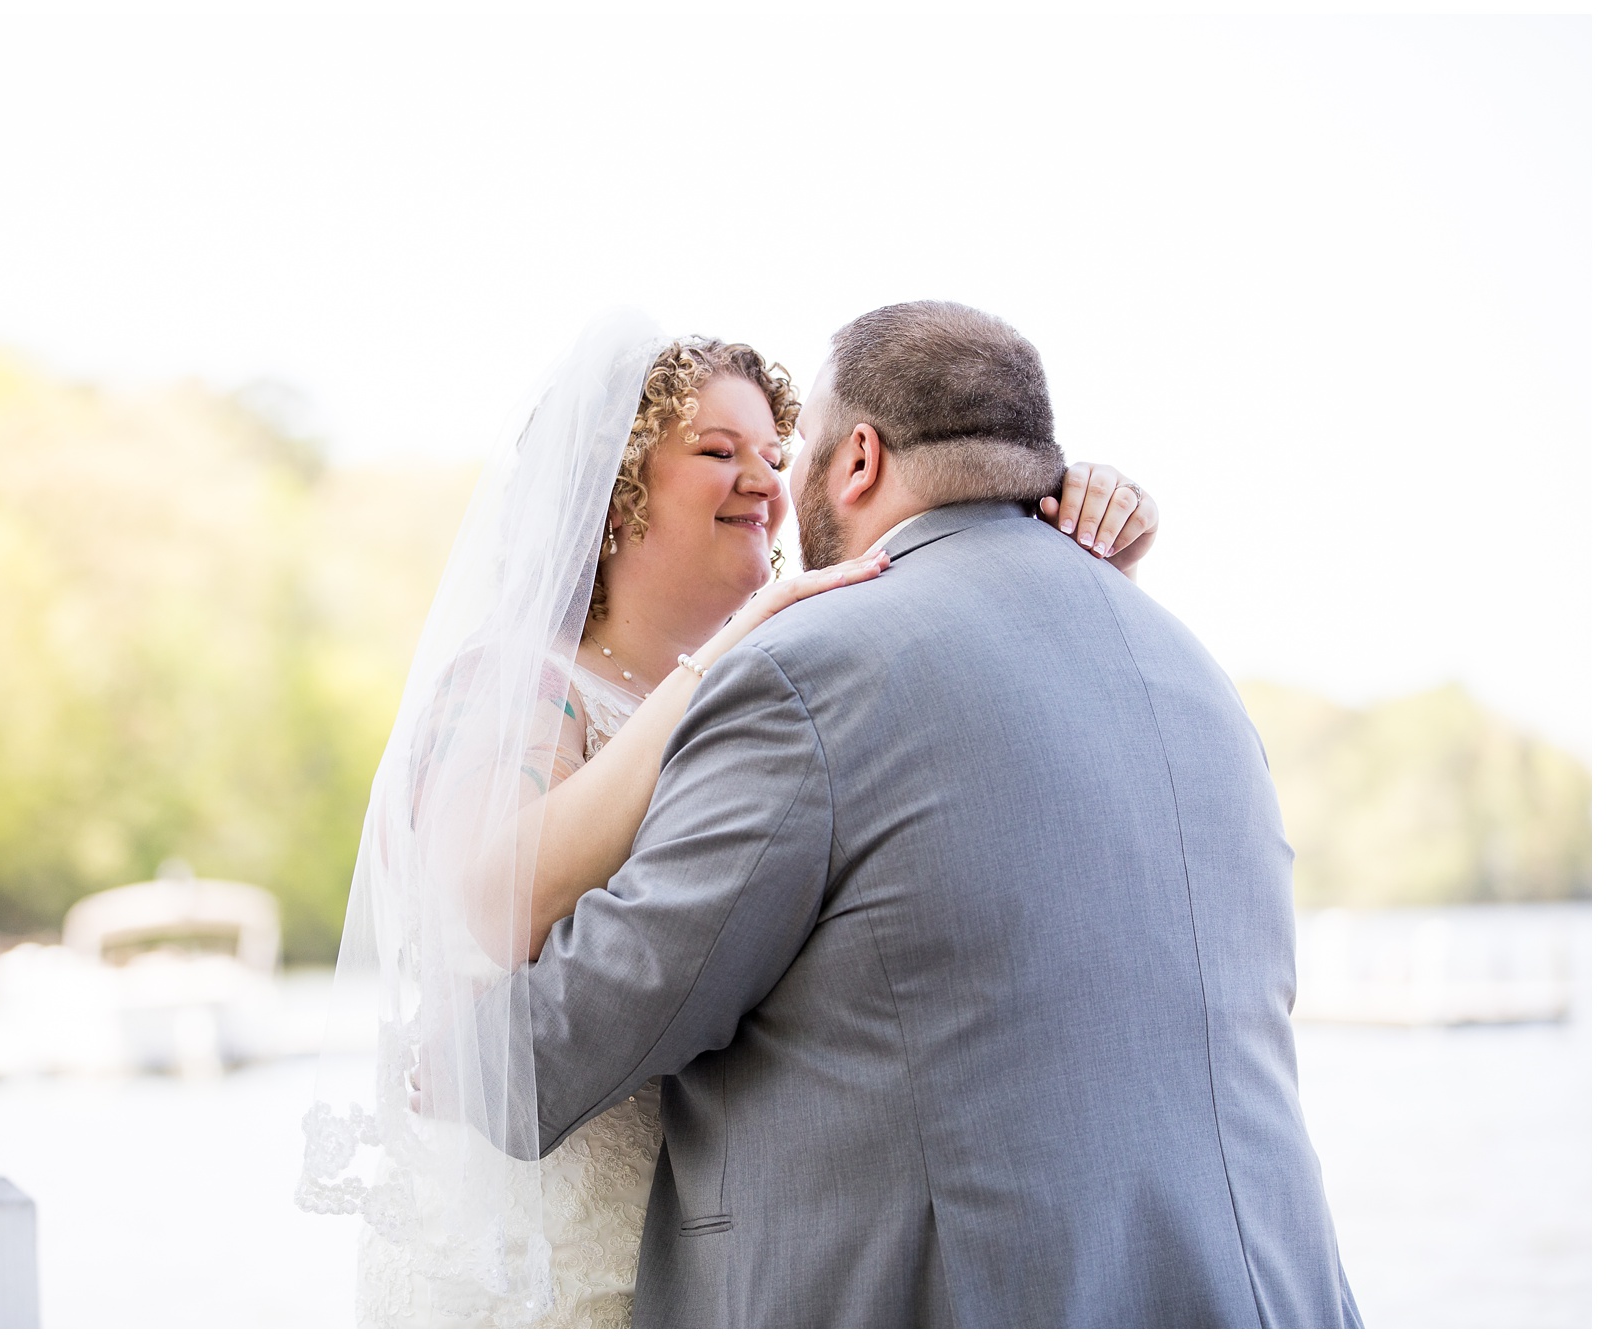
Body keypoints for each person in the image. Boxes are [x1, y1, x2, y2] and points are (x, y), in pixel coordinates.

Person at [478, 300, 1362, 1327]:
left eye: (790, 446)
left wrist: (446, 1044)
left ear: (855, 460)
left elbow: (552, 1051)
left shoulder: (807, 671)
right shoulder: (1191, 667)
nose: (772, 482)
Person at [296, 309, 1163, 1327]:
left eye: (772, 451)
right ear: (613, 492)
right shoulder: (519, 683)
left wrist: (1069, 531)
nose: (766, 480)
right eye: (716, 451)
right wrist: (729, 652)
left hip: (707, 1262)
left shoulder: (780, 689)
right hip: (537, 1265)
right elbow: (496, 903)